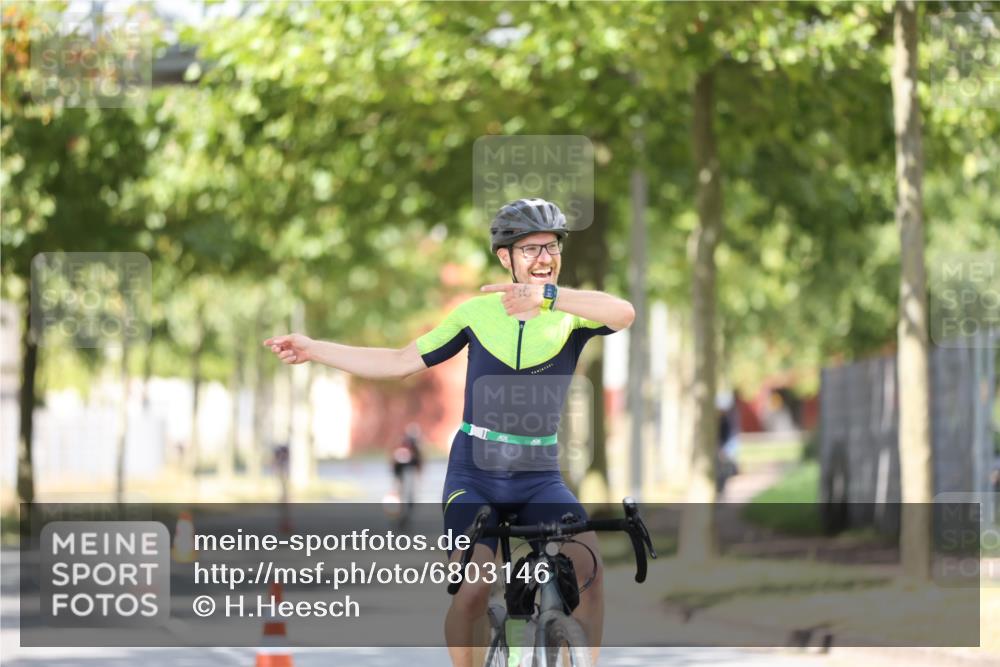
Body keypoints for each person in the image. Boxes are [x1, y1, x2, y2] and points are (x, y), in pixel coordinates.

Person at [264, 198, 635, 666]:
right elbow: (399, 362)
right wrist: (315, 349)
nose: (544, 259)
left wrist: (548, 298)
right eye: (530, 250)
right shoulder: (475, 315)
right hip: (474, 474)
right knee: (476, 587)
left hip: (540, 475)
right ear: (506, 258)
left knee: (590, 569)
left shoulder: (571, 312)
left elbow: (623, 313)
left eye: (552, 247)